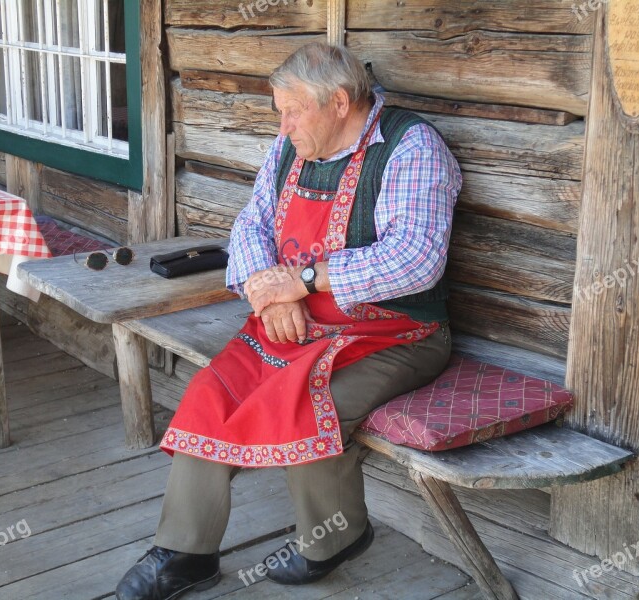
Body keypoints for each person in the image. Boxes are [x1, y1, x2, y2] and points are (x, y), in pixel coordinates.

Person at [115, 42, 462, 600]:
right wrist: (270, 296)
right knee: (213, 391)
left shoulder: (409, 147)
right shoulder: (291, 146)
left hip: (396, 334)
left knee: (310, 404)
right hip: (293, 322)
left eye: (293, 110)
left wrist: (299, 282)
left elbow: (416, 258)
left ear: (340, 102)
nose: (283, 123)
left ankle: (338, 538)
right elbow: (250, 226)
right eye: (280, 110)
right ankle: (185, 552)